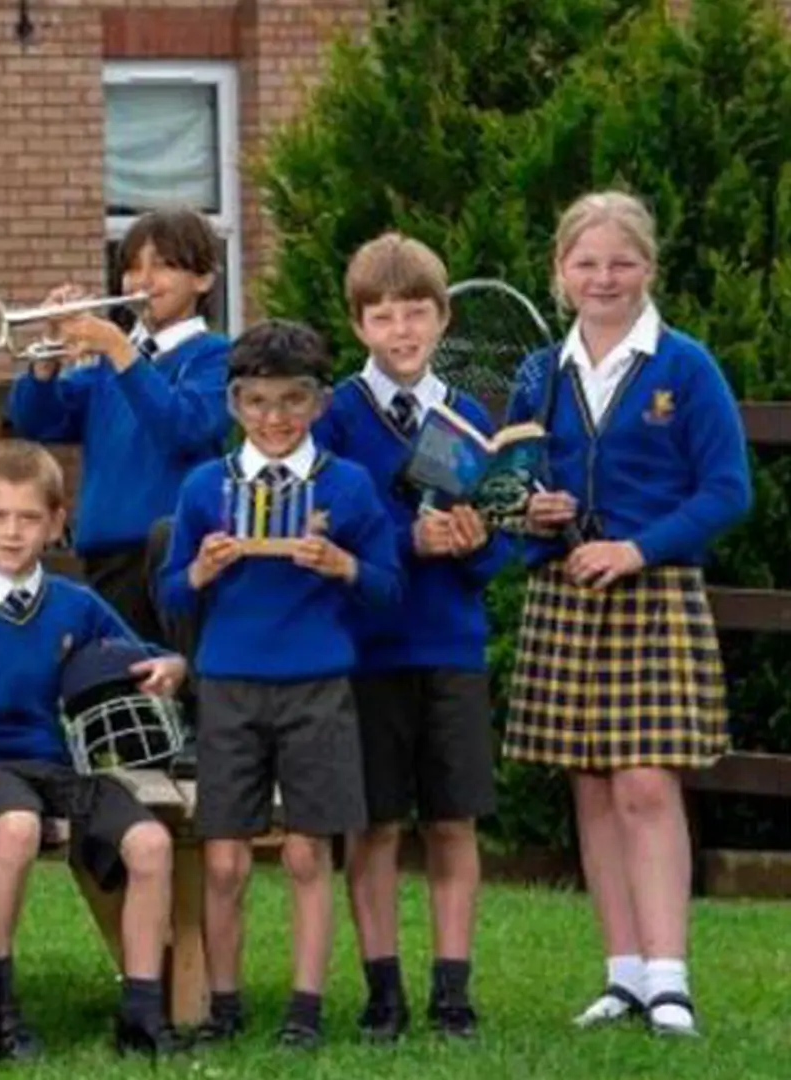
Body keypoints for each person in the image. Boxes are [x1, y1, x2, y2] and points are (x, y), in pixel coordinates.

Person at [505, 191, 749, 1039]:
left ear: (649, 268)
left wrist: (638, 548)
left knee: (647, 784)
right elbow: (507, 485)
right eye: (586, 263)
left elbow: (728, 489)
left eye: (621, 262)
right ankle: (624, 977)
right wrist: (530, 510)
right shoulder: (539, 373)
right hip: (565, 591)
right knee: (593, 787)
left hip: (652, 590)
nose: (603, 278)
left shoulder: (686, 367)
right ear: (560, 272)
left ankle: (671, 978)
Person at [158, 319, 401, 1050]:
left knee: (306, 852)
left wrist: (344, 568)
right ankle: (224, 1003)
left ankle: (306, 1006)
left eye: (292, 401)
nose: (274, 418)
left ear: (320, 404)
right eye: (258, 402)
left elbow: (389, 589)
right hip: (229, 686)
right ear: (234, 404)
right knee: (226, 858)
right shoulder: (206, 486)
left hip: (317, 686)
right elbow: (170, 593)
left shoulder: (348, 486)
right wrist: (202, 569)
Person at [0, 439, 188, 1059]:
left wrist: (171, 664)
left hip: (59, 765)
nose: (13, 532)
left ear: (57, 523)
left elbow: (143, 656)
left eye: (29, 517)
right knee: (14, 828)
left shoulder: (77, 604)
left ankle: (142, 1013)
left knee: (151, 843)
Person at [313, 232, 507, 1040]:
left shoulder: (469, 416)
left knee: (453, 820)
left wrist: (476, 544)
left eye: (417, 314)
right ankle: (382, 989)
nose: (402, 331)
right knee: (377, 824)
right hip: (368, 648)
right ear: (359, 324)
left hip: (451, 645)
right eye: (384, 316)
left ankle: (452, 991)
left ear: (442, 318)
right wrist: (404, 544)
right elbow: (322, 534)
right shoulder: (332, 419)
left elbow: (497, 542)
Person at [6, 206, 231, 643]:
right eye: (131, 268)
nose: (142, 282)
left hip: (179, 554)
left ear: (203, 279)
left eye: (163, 266)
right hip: (106, 559)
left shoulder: (214, 356)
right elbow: (37, 422)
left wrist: (118, 350)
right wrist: (49, 352)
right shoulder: (113, 363)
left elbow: (182, 428)